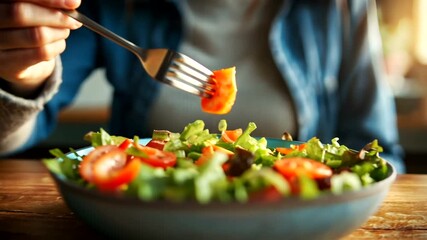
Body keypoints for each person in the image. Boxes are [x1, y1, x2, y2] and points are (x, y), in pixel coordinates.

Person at [0, 0, 406, 173]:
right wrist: (23, 74)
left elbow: (379, 153)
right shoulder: (114, 4)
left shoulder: (340, 6)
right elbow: (22, 132)